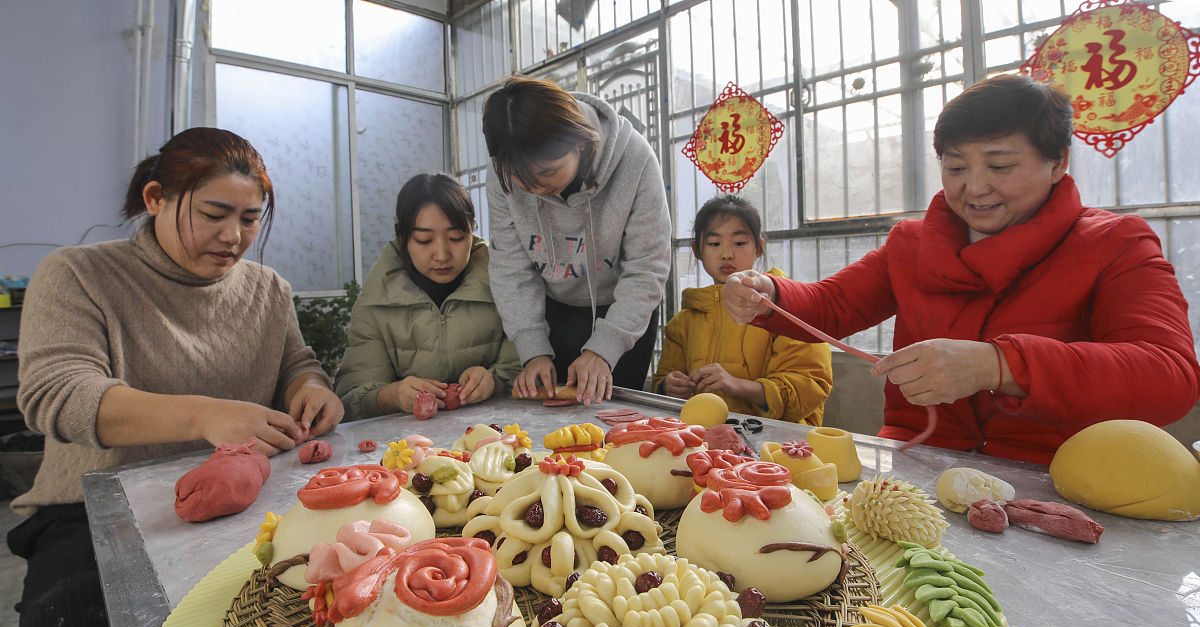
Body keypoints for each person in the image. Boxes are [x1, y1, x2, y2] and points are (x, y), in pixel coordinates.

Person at [5, 127, 343, 627]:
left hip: (249, 499)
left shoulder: (268, 291)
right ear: (156, 198)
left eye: (250, 219)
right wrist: (202, 417)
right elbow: (56, 394)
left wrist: (312, 388)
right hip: (96, 508)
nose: (234, 236)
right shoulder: (78, 275)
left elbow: (295, 365)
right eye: (215, 214)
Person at [725, 74, 1200, 465]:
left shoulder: (1115, 243)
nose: (975, 188)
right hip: (922, 467)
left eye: (999, 165)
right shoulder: (912, 244)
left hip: (1060, 480)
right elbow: (833, 305)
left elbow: (1169, 377)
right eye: (955, 168)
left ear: (1058, 163)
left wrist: (1000, 365)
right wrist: (768, 292)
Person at [482, 75, 671, 404]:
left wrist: (605, 347)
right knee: (547, 418)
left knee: (613, 416)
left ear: (581, 143)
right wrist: (532, 349)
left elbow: (646, 268)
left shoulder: (636, 160)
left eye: (548, 173)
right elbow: (510, 266)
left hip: (622, 307)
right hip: (552, 307)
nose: (535, 189)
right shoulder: (504, 170)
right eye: (521, 180)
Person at [335, 173, 521, 419]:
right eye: (424, 240)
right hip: (407, 447)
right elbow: (350, 401)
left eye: (456, 238)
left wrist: (493, 381)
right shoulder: (376, 301)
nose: (442, 255)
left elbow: (531, 367)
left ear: (472, 230)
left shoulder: (506, 282)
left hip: (495, 435)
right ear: (403, 238)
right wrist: (391, 395)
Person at [652, 194, 832, 424]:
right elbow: (661, 380)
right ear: (697, 250)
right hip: (705, 440)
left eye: (739, 243)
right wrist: (668, 385)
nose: (727, 253)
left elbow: (810, 387)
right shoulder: (685, 320)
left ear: (758, 247)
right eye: (714, 243)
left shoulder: (789, 308)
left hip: (775, 445)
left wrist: (738, 386)